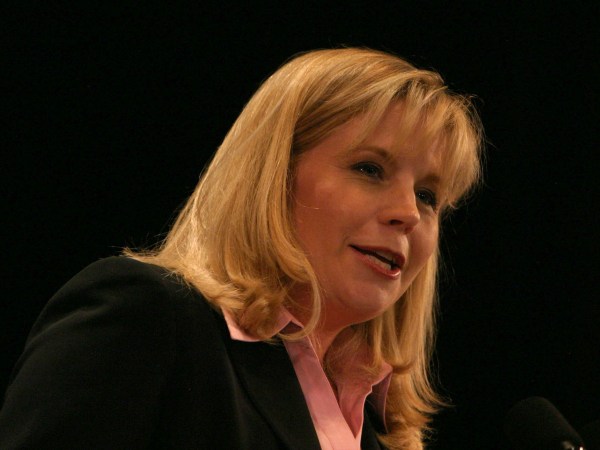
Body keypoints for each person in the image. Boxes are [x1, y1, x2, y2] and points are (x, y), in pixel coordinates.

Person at [0, 48, 483, 449]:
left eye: (428, 196)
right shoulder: (146, 318)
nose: (408, 213)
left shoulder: (381, 429)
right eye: (370, 169)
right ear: (274, 175)